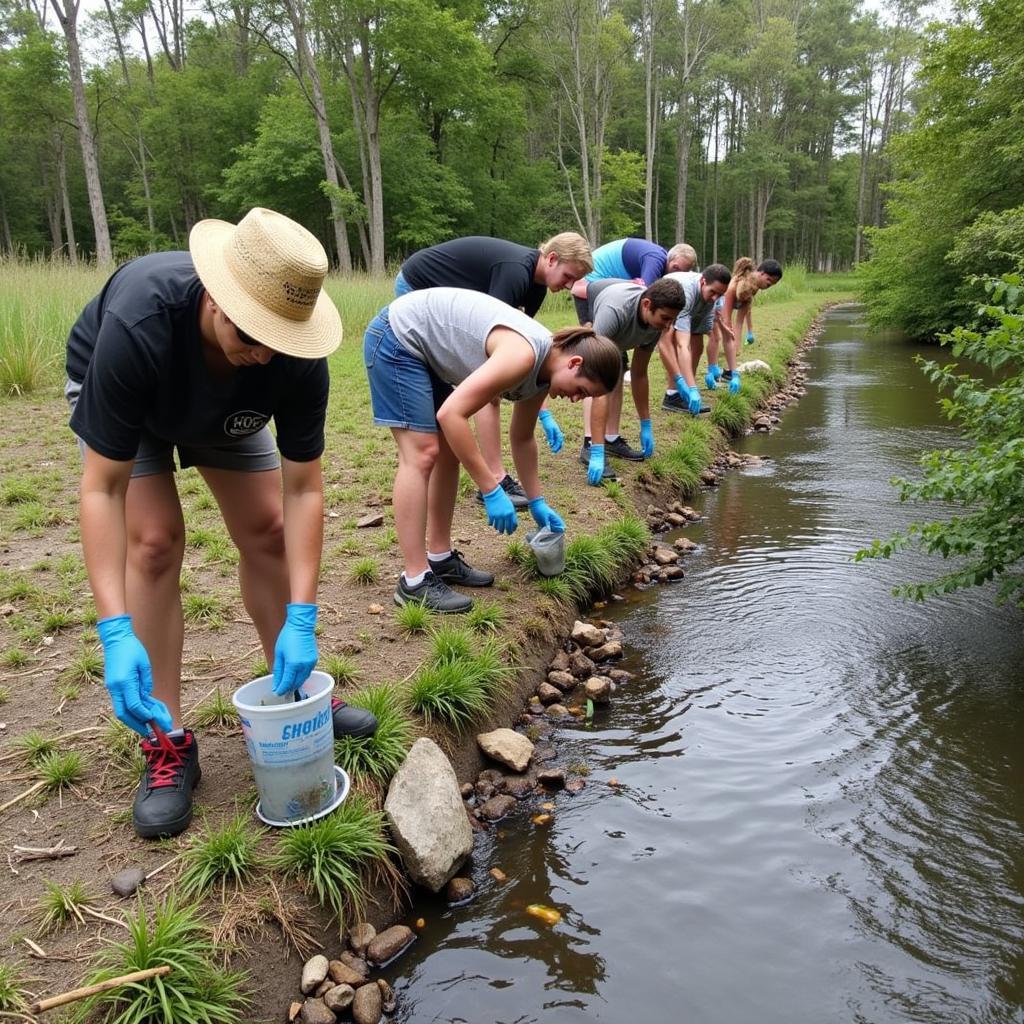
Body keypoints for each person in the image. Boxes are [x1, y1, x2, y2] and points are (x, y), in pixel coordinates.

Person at [65, 207, 376, 839]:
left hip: (229, 413)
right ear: (214, 298)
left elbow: (303, 489)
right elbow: (102, 490)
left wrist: (304, 617)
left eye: (278, 341)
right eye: (249, 334)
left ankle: (295, 696)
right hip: (137, 398)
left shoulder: (288, 355)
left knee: (265, 530)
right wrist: (114, 630)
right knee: (154, 543)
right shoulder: (140, 322)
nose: (263, 353)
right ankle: (167, 741)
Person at [364, 287, 621, 613]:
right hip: (398, 337)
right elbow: (452, 415)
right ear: (574, 363)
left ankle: (439, 559)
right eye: (581, 390)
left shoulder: (543, 372)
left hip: (424, 348)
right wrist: (491, 488)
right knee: (423, 453)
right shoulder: (524, 356)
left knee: (447, 452)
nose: (575, 399)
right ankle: (414, 581)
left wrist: (537, 500)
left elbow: (523, 438)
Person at [396, 234, 593, 508]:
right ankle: (494, 478)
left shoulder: (536, 287)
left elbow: (531, 355)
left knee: (489, 387)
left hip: (447, 300)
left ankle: (468, 457)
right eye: (568, 275)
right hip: (417, 285)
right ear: (551, 259)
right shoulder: (515, 273)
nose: (570, 285)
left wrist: (543, 411)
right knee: (487, 393)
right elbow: (490, 336)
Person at [576, 278, 685, 485]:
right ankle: (591, 445)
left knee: (618, 369)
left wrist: (646, 423)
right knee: (600, 375)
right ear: (647, 305)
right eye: (665, 318)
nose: (668, 325)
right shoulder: (614, 311)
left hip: (623, 323)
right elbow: (595, 377)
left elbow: (639, 373)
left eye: (672, 320)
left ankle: (610, 438)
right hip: (592, 303)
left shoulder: (656, 325)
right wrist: (597, 452)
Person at [657, 265, 732, 414]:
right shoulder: (686, 293)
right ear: (703, 282)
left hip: (691, 306)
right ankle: (673, 395)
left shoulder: (711, 300)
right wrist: (691, 387)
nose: (715, 298)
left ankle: (684, 394)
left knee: (697, 346)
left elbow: (702, 338)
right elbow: (682, 346)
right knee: (673, 340)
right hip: (665, 305)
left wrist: (712, 367)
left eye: (720, 295)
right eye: (713, 292)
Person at [704, 258, 783, 393]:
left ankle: (728, 372)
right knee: (716, 337)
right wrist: (729, 338)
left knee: (730, 342)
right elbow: (726, 317)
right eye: (769, 281)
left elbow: (739, 322)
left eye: (773, 284)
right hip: (712, 305)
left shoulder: (753, 288)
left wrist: (737, 344)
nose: (769, 285)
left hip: (721, 310)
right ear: (761, 273)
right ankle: (713, 371)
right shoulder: (734, 285)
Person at [571, 239, 697, 323]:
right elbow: (644, 295)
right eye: (675, 268)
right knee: (594, 340)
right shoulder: (656, 259)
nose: (675, 274)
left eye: (681, 272)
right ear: (670, 258)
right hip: (588, 283)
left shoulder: (661, 262)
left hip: (605, 285)